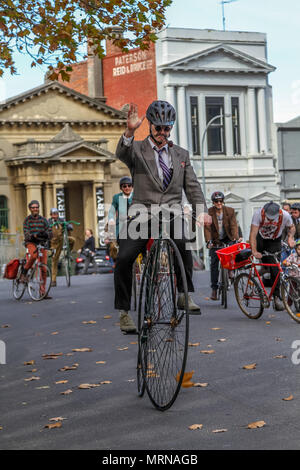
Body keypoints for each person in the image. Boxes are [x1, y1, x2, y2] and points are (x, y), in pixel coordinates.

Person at [114, 100, 211, 333]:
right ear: (150, 126)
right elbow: (121, 152)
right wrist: (129, 130)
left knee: (183, 243)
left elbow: (193, 187)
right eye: (158, 128)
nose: (163, 133)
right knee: (125, 257)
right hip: (141, 212)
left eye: (167, 128)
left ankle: (183, 294)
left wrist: (202, 212)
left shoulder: (181, 155)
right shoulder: (137, 150)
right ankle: (124, 312)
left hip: (171, 211)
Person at [249, 201, 295, 311]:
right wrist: (254, 251)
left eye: (272, 218)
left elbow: (292, 227)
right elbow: (253, 234)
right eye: (268, 218)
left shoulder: (285, 215)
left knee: (275, 269)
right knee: (264, 263)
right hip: (261, 239)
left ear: (279, 213)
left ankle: (276, 297)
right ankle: (262, 272)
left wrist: (290, 238)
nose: (270, 220)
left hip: (275, 241)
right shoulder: (258, 214)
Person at [204, 191, 241, 300]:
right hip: (215, 241)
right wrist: (208, 241)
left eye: (220, 201)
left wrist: (235, 237)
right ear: (213, 202)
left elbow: (234, 225)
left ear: (223, 201)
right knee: (214, 264)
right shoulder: (209, 212)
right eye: (216, 201)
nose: (219, 203)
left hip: (227, 238)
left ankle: (230, 270)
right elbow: (207, 229)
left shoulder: (230, 211)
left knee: (232, 253)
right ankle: (214, 289)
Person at [22, 200, 52, 298]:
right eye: (33, 207)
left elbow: (50, 232)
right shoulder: (27, 220)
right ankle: (24, 271)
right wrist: (34, 235)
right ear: (30, 209)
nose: (35, 209)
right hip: (31, 243)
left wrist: (46, 234)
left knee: (43, 268)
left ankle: (42, 292)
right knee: (34, 255)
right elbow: (26, 234)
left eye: (37, 207)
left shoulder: (44, 220)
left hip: (42, 244)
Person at [48, 208, 75, 287]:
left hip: (62, 240)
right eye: (53, 214)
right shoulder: (48, 222)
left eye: (56, 214)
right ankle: (53, 280)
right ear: (51, 215)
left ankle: (68, 253)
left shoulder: (61, 220)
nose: (55, 216)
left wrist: (69, 226)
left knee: (72, 240)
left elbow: (69, 225)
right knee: (54, 260)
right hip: (53, 243)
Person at [108, 176, 134, 241]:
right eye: (124, 186)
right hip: (121, 226)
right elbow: (111, 211)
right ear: (121, 188)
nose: (127, 188)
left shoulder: (136, 196)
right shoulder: (116, 197)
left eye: (129, 185)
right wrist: (111, 220)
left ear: (132, 187)